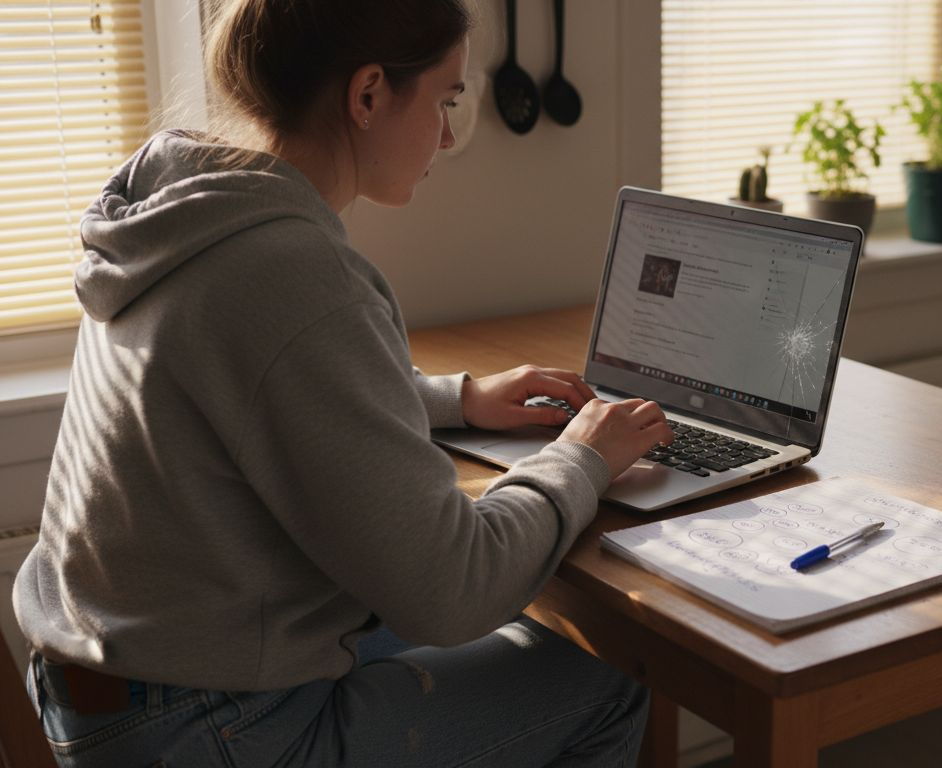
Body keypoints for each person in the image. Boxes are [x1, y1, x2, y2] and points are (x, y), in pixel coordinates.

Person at [13, 0, 673, 765]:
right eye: (446, 99)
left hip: (112, 685)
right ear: (367, 96)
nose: (451, 135)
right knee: (608, 675)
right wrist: (584, 457)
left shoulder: (183, 210)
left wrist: (454, 399)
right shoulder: (293, 273)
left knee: (508, 616)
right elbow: (453, 583)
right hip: (202, 726)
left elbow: (245, 389)